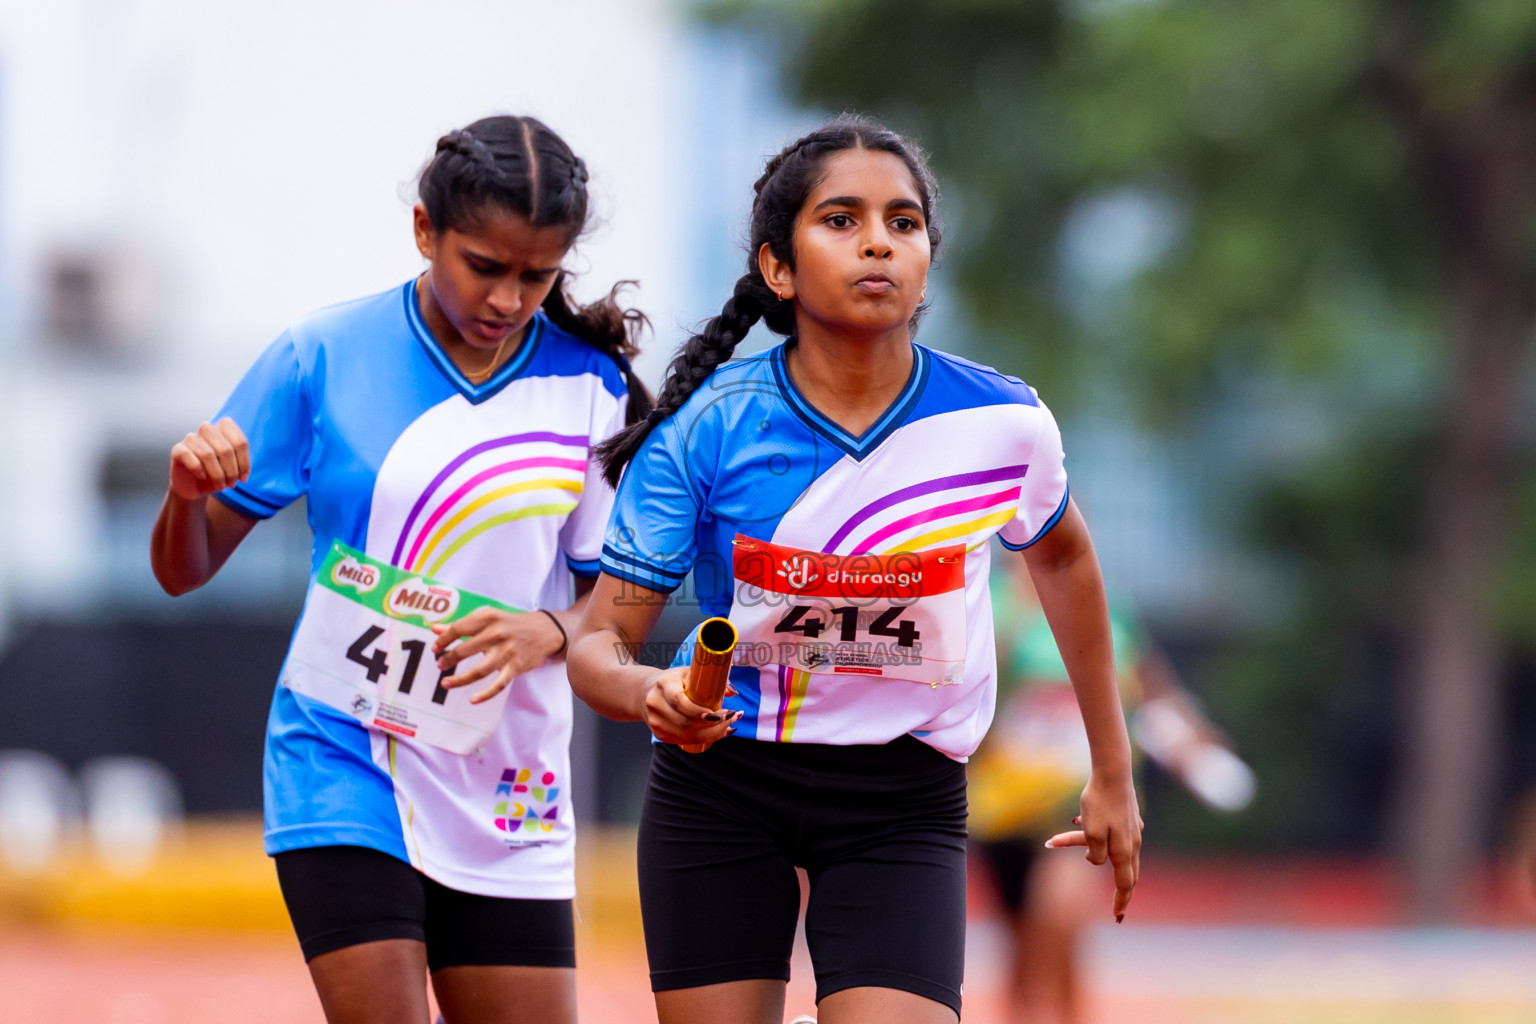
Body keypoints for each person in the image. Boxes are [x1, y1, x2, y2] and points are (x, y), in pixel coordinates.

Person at [567, 115, 1142, 1024]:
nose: (878, 240)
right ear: (778, 269)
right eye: (841, 220)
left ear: (927, 261)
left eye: (902, 222)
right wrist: (650, 694)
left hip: (902, 801)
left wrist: (1113, 770)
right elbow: (599, 642)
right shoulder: (708, 426)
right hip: (723, 784)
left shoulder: (1001, 425)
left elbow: (1064, 558)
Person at [149, 115, 650, 1024]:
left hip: (509, 780)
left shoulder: (592, 387)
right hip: (342, 755)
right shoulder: (319, 356)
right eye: (483, 266)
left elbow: (614, 614)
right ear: (425, 229)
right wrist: (185, 497)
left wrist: (544, 631)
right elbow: (183, 572)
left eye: (537, 276)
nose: (508, 298)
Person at [968, 553, 1255, 1024]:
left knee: (1059, 919)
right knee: (1023, 946)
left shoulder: (1105, 609)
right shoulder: (989, 604)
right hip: (1003, 809)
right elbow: (965, 693)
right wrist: (1014, 623)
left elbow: (1155, 690)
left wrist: (1197, 743)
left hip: (1078, 800)